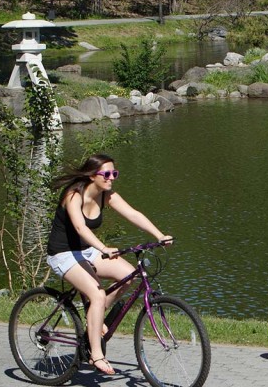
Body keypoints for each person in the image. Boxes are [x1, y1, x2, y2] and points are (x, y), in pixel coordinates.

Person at [46, 154, 171, 375]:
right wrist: (103, 248)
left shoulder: (106, 195)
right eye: (107, 174)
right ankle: (96, 355)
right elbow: (80, 228)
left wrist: (159, 235)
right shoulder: (73, 194)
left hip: (87, 251)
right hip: (63, 253)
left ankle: (97, 314)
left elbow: (133, 214)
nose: (111, 177)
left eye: (115, 173)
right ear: (92, 175)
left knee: (131, 275)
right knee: (97, 295)